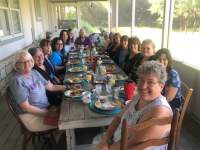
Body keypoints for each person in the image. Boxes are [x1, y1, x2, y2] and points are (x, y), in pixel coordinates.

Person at [95, 61, 173, 150]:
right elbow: (118, 118)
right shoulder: (139, 97)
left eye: (150, 82)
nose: (143, 86)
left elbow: (132, 143)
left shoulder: (160, 110)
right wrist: (105, 140)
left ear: (161, 86)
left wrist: (108, 147)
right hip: (116, 142)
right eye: (141, 80)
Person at [9, 51, 66, 131]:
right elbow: (26, 108)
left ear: (32, 61)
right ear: (16, 65)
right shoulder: (17, 81)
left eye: (29, 60)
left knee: (67, 111)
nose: (27, 64)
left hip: (45, 109)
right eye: (22, 62)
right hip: (32, 116)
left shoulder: (34, 72)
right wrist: (48, 113)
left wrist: (65, 87)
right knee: (65, 121)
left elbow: (51, 86)